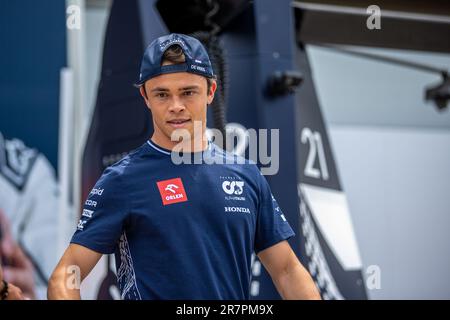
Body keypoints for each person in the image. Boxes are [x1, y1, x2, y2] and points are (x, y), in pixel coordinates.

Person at [47, 33, 321, 300]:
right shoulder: (121, 179)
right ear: (145, 97)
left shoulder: (246, 175)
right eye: (162, 95)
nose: (176, 106)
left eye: (188, 92)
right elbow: (66, 275)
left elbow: (287, 270)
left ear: (211, 91)